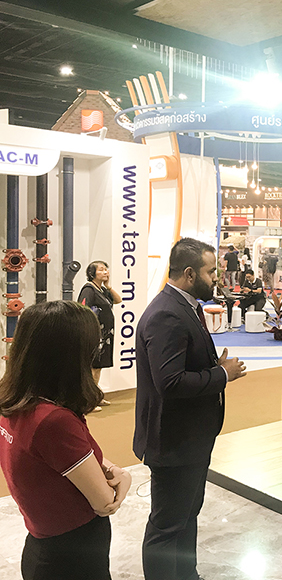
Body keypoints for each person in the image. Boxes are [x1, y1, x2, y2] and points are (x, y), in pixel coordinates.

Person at [134, 237, 247, 580]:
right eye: (211, 272)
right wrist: (222, 375)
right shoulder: (167, 314)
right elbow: (170, 383)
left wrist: (214, 368)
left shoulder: (184, 306)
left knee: (185, 517)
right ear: (189, 274)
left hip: (189, 440)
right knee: (167, 526)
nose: (216, 279)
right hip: (174, 442)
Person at [0, 300, 132, 580]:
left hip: (43, 548)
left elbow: (57, 457)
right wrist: (124, 477)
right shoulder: (53, 421)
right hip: (73, 555)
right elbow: (104, 502)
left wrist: (109, 467)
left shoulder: (15, 402)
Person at [77, 260, 122, 409]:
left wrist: (108, 286)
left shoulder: (102, 290)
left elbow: (118, 300)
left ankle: (95, 396)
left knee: (99, 365)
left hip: (105, 334)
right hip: (94, 333)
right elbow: (82, 308)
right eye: (101, 269)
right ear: (92, 273)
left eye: (106, 269)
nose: (105, 272)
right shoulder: (88, 289)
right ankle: (88, 399)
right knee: (93, 366)